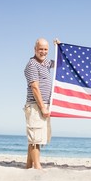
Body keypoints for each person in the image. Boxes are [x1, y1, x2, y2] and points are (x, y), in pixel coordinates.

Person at [23, 37, 60, 169]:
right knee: (36, 138)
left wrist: (60, 48)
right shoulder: (32, 65)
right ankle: (37, 167)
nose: (43, 52)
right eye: (40, 49)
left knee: (35, 137)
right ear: (35, 49)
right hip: (36, 105)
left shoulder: (46, 63)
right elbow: (35, 88)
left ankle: (28, 165)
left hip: (44, 104)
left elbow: (60, 62)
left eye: (46, 49)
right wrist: (43, 107)